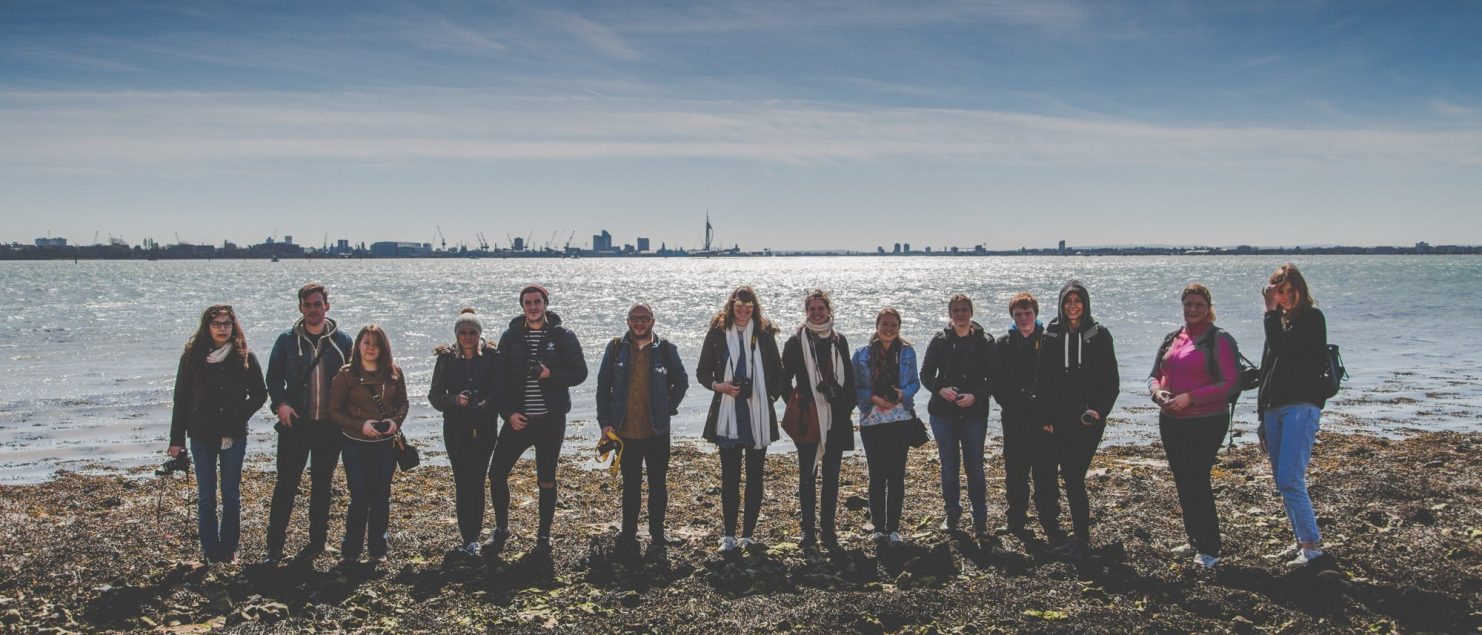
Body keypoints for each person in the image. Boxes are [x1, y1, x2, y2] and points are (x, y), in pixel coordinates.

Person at [490, 284, 587, 554]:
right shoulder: (510, 337)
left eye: (537, 302)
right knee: (496, 474)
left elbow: (580, 373)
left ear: (546, 304)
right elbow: (500, 380)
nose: (532, 307)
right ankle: (501, 528)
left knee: (546, 479)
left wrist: (550, 374)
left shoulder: (563, 335)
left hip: (550, 420)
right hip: (518, 420)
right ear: (522, 306)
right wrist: (508, 414)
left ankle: (543, 535)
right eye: (528, 303)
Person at [168, 305, 267, 564]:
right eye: (217, 324)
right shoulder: (192, 357)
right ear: (207, 327)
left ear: (233, 326)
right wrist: (176, 440)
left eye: (227, 323)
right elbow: (181, 399)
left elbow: (260, 393)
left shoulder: (244, 356)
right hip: (201, 434)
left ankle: (230, 547)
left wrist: (240, 413)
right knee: (206, 495)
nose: (222, 328)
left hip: (234, 435)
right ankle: (211, 549)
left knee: (231, 494)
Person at [1148, 284, 1238, 570]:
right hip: (1171, 419)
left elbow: (1230, 382)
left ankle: (1210, 548)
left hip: (1206, 421)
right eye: (1188, 304)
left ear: (1207, 306)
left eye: (1198, 304)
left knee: (1198, 480)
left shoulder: (1219, 339)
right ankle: (1193, 539)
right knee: (1183, 481)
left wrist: (1190, 398)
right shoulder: (1173, 337)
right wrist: (1158, 394)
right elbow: (1154, 375)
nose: (1193, 309)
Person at [264, 282, 353, 563]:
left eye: (317, 304)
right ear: (300, 308)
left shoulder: (343, 341)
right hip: (295, 424)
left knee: (322, 485)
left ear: (327, 306)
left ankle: (317, 542)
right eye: (307, 305)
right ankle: (275, 545)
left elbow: (353, 380)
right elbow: (273, 378)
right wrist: (280, 404)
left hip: (329, 425)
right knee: (286, 485)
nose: (313, 310)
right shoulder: (286, 340)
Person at [1032, 281, 1119, 561]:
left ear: (1085, 303)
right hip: (1057, 418)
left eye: (1077, 300)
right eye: (1068, 300)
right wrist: (1044, 416)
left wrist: (1099, 410)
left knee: (1073, 476)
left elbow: (1111, 381)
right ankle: (1064, 534)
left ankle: (1081, 538)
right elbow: (1042, 379)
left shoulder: (1099, 334)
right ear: (1061, 303)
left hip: (1087, 419)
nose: (1072, 305)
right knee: (1056, 475)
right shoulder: (1052, 333)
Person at [595, 303, 689, 555]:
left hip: (657, 431)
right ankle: (628, 533)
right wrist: (604, 423)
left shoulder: (665, 349)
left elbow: (682, 381)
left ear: (652, 321)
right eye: (634, 319)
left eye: (644, 319)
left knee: (658, 484)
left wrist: (668, 406)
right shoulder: (615, 349)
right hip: (625, 432)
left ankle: (658, 533)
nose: (639, 323)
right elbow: (603, 386)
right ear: (627, 321)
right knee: (631, 485)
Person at [697, 286, 784, 552]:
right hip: (727, 414)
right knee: (730, 478)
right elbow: (702, 372)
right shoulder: (717, 334)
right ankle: (728, 536)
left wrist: (767, 399)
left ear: (754, 307)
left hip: (757, 415)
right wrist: (720, 387)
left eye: (748, 305)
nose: (744, 309)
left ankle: (748, 534)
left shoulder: (764, 335)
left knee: (756, 476)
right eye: (739, 305)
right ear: (731, 306)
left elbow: (779, 374)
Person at [1257, 264, 1330, 569]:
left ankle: (1311, 547)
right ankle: (1301, 541)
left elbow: (1285, 351)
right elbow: (1266, 372)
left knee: (1290, 477)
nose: (1285, 297)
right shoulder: (1279, 323)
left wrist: (1270, 313)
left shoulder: (1311, 319)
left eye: (1289, 290)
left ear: (1300, 289)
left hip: (1301, 407)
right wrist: (1261, 417)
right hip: (1275, 409)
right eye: (1278, 291)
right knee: (1282, 479)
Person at [781, 290, 856, 548]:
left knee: (832, 476)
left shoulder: (839, 341)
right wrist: (797, 403)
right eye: (812, 309)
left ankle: (828, 529)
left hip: (836, 415)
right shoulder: (795, 341)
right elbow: (783, 380)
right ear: (806, 312)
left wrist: (842, 406)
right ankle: (808, 531)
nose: (816, 312)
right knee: (807, 474)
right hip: (808, 416)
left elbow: (850, 381)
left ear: (828, 310)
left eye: (820, 308)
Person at [920, 293, 998, 540]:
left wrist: (976, 395)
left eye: (964, 309)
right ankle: (952, 513)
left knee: (975, 466)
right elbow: (926, 374)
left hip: (974, 413)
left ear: (971, 312)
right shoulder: (940, 340)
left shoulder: (985, 341)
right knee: (949, 466)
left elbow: (994, 378)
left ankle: (980, 519)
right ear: (950, 313)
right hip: (944, 413)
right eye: (956, 310)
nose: (960, 314)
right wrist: (940, 389)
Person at [330, 325, 409, 565]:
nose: (371, 348)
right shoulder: (346, 374)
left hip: (385, 446)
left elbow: (403, 403)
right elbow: (334, 412)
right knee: (359, 497)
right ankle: (351, 551)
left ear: (383, 347)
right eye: (366, 342)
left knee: (381, 497)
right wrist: (360, 425)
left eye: (376, 343)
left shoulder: (394, 373)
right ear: (358, 346)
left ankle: (378, 549)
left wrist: (394, 422)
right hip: (355, 444)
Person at [428, 307, 499, 557]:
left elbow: (500, 390)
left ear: (479, 334)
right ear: (457, 335)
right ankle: (466, 536)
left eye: (472, 332)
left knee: (477, 481)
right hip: (456, 428)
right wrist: (454, 400)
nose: (467, 337)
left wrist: (485, 403)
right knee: (462, 482)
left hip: (484, 427)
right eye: (463, 333)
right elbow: (434, 396)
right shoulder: (446, 359)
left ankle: (474, 538)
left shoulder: (491, 356)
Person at [991, 293, 1061, 542]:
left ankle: (1050, 520)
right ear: (1012, 316)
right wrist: (1017, 401)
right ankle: (1016, 519)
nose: (1023, 319)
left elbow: (1057, 382)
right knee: (1015, 471)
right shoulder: (1003, 344)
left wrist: (1049, 413)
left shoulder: (1051, 341)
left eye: (1027, 313)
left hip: (1044, 418)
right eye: (1018, 315)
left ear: (1036, 313)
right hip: (1014, 417)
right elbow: (997, 384)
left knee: (1046, 472)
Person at [851, 307, 920, 546]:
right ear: (877, 326)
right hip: (872, 421)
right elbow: (854, 386)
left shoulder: (908, 352)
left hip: (901, 420)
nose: (889, 329)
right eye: (885, 324)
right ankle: (878, 528)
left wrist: (903, 394)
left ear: (899, 328)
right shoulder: (861, 354)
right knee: (876, 475)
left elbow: (915, 383)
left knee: (897, 475)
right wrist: (872, 398)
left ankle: (894, 528)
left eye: (894, 325)